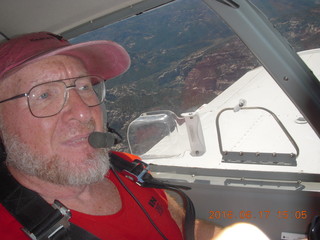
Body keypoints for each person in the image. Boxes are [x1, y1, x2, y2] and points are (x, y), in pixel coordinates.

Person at [0, 31, 225, 240]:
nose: (82, 111)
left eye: (84, 87)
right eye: (45, 94)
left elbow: (178, 224)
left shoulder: (128, 169)